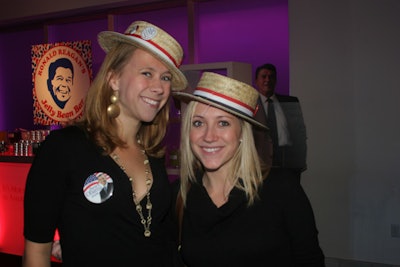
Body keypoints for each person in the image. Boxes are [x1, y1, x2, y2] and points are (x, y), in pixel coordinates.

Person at [23, 20, 188, 267]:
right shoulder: (64, 148)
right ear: (114, 78)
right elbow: (36, 251)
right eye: (147, 73)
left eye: (165, 78)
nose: (159, 87)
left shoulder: (151, 154)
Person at [172, 72, 325, 266]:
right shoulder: (180, 194)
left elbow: (309, 259)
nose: (209, 136)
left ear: (242, 133)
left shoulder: (282, 189)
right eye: (198, 123)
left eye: (223, 123)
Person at [253, 63, 307, 179]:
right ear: (256, 81)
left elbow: (300, 134)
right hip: (260, 165)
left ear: (276, 80)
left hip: (288, 163)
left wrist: (301, 161)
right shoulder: (250, 105)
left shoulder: (290, 102)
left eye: (271, 77)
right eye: (264, 76)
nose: (268, 80)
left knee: (290, 196)